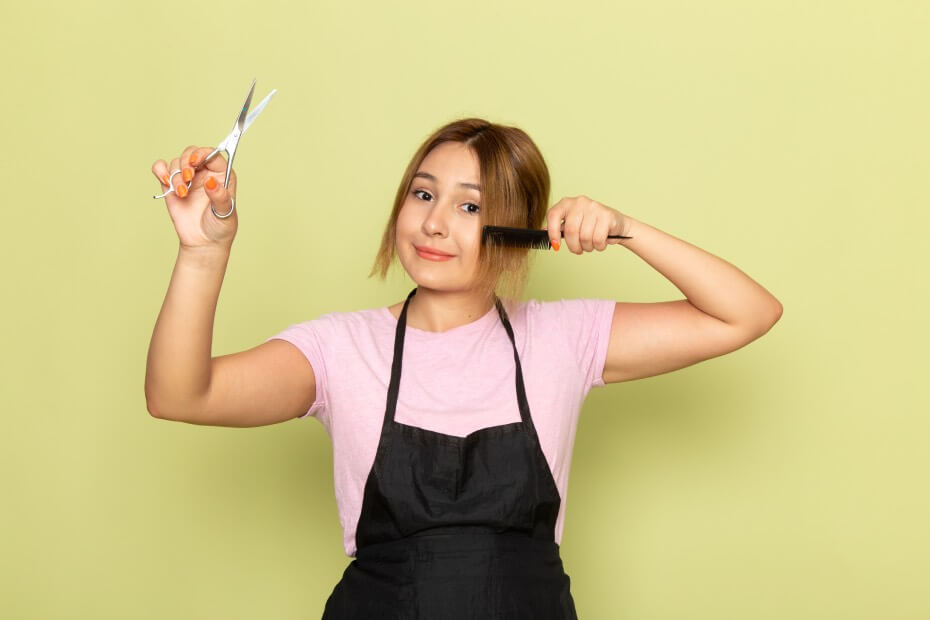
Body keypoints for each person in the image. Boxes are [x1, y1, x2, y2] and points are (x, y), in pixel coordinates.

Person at [145, 117, 783, 618]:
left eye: (470, 206)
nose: (433, 222)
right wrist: (203, 252)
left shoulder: (564, 338)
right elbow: (179, 395)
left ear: (517, 231)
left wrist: (625, 229)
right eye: (423, 193)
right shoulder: (341, 350)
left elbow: (745, 314)